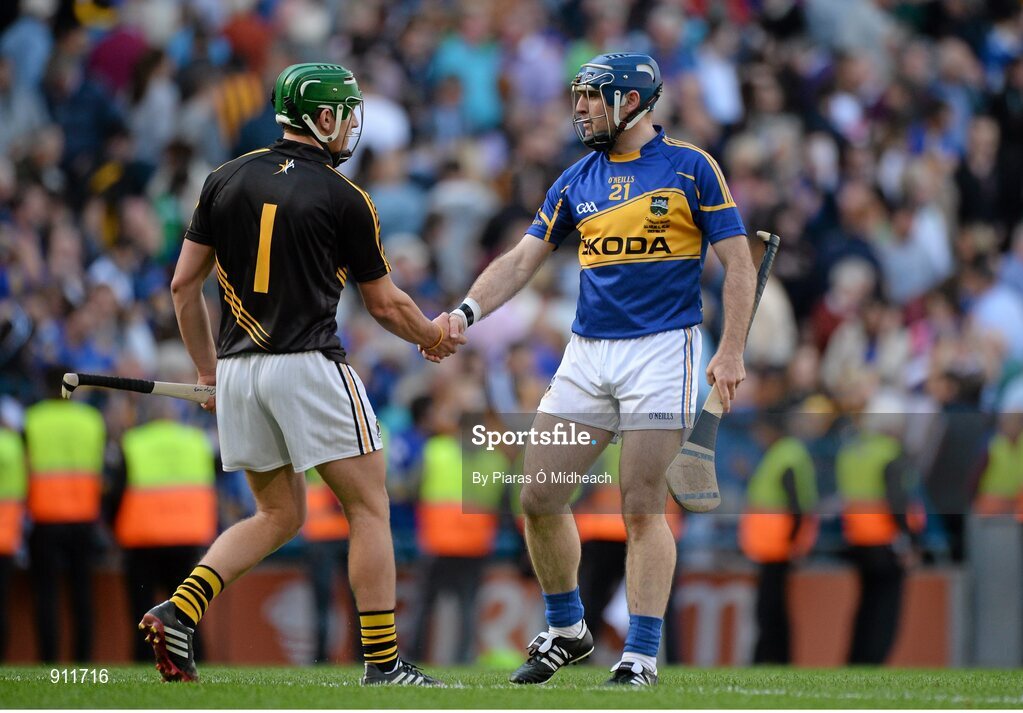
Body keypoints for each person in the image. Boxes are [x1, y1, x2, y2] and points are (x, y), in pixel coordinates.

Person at [434, 53, 756, 685]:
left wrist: (733, 348)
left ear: (630, 102)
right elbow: (522, 261)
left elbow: (739, 265)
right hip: (587, 352)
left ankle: (639, 652)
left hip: (664, 350)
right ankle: (567, 627)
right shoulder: (575, 178)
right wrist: (466, 312)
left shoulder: (692, 167)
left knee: (641, 506)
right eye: (577, 95)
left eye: (591, 97)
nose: (578, 108)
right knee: (538, 494)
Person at [140, 62, 462, 686]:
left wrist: (208, 371)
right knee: (368, 507)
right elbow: (387, 304)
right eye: (345, 112)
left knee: (278, 514)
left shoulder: (222, 179)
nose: (351, 125)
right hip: (307, 365)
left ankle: (179, 608)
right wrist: (431, 338)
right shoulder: (346, 198)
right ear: (322, 117)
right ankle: (384, 665)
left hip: (238, 373)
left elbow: (183, 287)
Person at [113, 415, 217, 663]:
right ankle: (195, 663)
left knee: (142, 613)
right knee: (187, 611)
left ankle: (144, 665)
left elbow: (116, 492)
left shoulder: (134, 442)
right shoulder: (197, 441)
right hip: (187, 539)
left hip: (142, 540)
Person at [24, 373, 105, 663]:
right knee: (81, 595)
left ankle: (49, 660)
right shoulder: (92, 420)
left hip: (45, 518)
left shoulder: (32, 419)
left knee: (46, 595)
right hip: (83, 518)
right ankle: (82, 661)